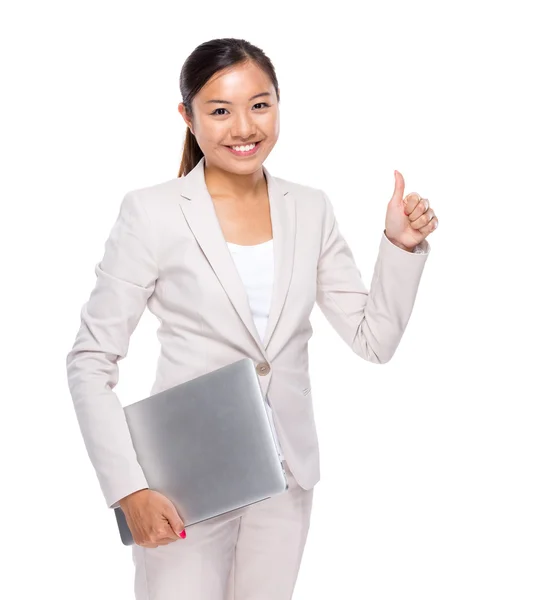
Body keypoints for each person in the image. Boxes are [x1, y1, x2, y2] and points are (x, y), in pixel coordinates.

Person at [65, 37, 438, 600]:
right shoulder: (151, 212)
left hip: (285, 483)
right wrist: (129, 491)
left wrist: (400, 245)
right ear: (187, 117)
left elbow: (374, 340)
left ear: (278, 105)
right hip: (182, 487)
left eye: (260, 104)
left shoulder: (309, 207)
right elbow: (90, 361)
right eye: (220, 110)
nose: (244, 127)